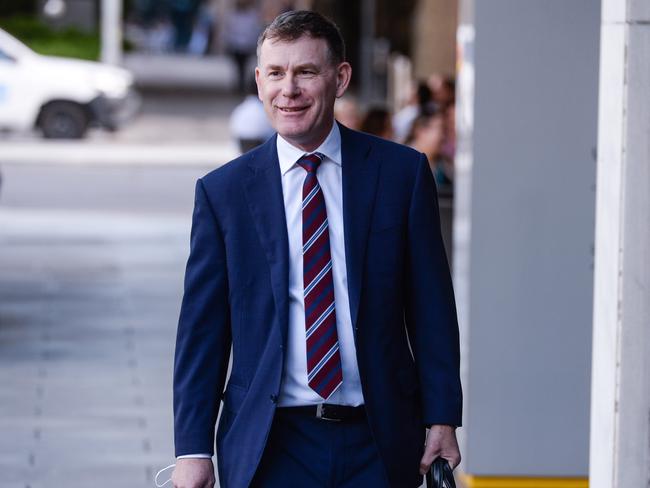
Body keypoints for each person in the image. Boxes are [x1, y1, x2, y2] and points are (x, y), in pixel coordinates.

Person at [172, 10, 462, 488]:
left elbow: (431, 309)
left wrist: (442, 417)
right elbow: (202, 332)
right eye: (276, 73)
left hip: (381, 437)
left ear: (339, 78)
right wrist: (192, 449)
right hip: (272, 444)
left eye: (306, 71)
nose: (290, 89)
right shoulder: (223, 194)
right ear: (259, 80)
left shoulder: (401, 175)